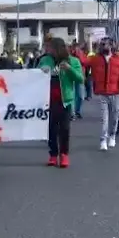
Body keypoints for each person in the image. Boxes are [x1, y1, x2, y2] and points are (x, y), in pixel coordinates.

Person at [39, 38, 84, 168]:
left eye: (51, 48)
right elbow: (34, 76)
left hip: (65, 101)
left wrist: (69, 69)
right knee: (51, 129)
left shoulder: (73, 61)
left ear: (58, 49)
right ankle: (53, 154)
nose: (48, 50)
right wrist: (42, 71)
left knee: (64, 129)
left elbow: (80, 79)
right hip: (49, 101)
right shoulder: (44, 60)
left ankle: (64, 154)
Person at [88, 37, 119, 151]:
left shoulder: (118, 60)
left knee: (114, 117)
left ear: (112, 46)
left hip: (115, 93)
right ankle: (103, 140)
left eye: (106, 44)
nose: (104, 46)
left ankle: (112, 136)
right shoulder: (95, 59)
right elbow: (83, 62)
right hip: (102, 93)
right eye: (102, 44)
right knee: (104, 118)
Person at [71, 42, 90, 119]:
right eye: (74, 48)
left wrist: (79, 56)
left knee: (80, 96)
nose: (75, 49)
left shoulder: (82, 54)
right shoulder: (69, 55)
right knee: (72, 96)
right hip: (71, 77)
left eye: (77, 48)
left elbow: (86, 63)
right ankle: (73, 113)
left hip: (80, 76)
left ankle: (77, 111)